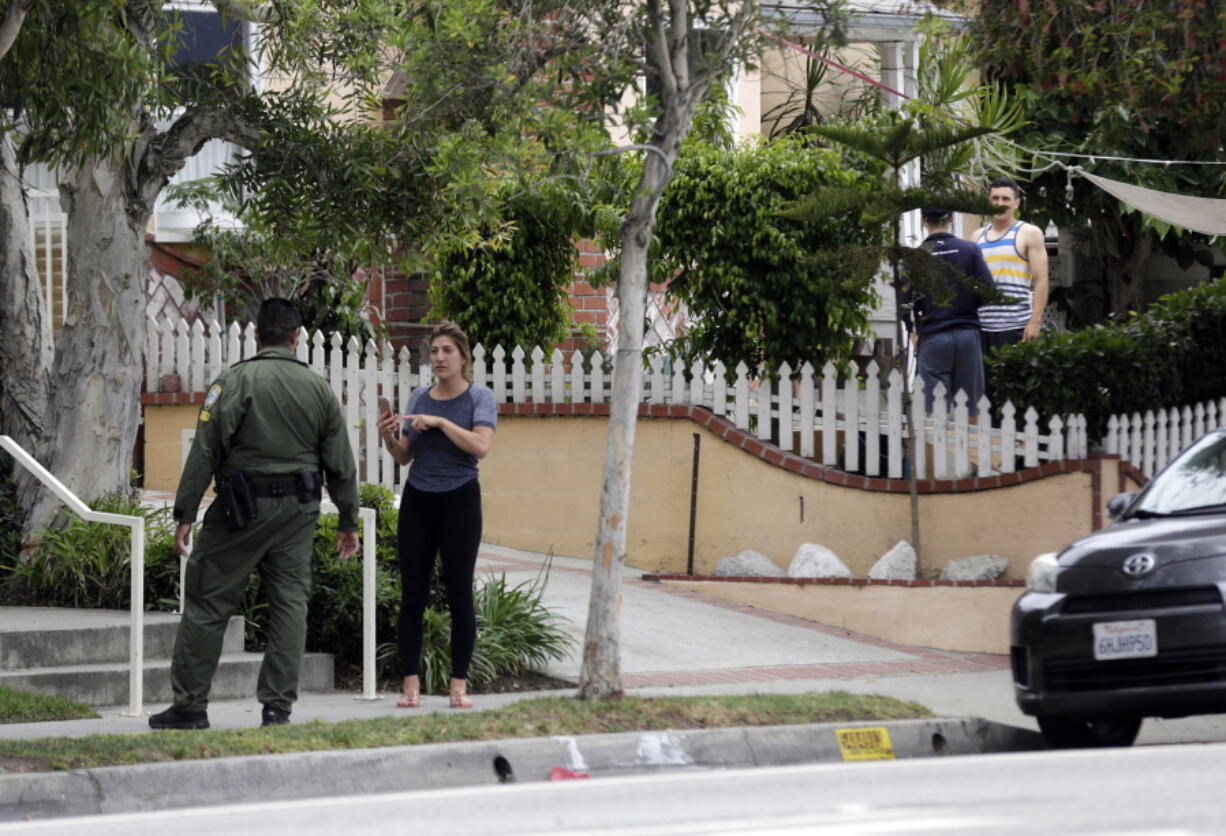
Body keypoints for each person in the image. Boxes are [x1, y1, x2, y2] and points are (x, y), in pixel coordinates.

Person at [149, 298, 360, 731]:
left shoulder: (234, 381)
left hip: (240, 512)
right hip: (298, 515)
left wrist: (185, 512)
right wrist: (347, 520)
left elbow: (204, 450)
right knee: (289, 608)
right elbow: (341, 461)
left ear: (258, 335)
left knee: (208, 602)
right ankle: (277, 709)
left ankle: (190, 707)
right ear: (297, 337)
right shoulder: (319, 389)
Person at [377, 321, 496, 710]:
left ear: (463, 357)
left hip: (460, 500)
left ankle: (458, 687)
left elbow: (480, 447)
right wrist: (388, 436)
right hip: (418, 500)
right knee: (413, 594)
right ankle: (410, 686)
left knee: (460, 594)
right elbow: (404, 456)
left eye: (448, 350)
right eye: (434, 351)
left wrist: (443, 422)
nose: (440, 357)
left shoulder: (480, 397)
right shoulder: (417, 397)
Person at [913, 207, 992, 417]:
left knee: (933, 407)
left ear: (922, 220)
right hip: (967, 334)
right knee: (971, 407)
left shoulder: (916, 257)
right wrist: (967, 304)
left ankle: (937, 450)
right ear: (951, 218)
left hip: (933, 335)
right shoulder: (970, 250)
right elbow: (988, 290)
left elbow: (906, 300)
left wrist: (913, 329)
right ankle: (971, 449)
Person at [974, 176, 1051, 347]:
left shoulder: (1029, 233)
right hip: (981, 328)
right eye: (995, 198)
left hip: (1016, 326)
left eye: (1005, 198)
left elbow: (1041, 280)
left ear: (1016, 203)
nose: (1000, 203)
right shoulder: (977, 236)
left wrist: (1035, 322)